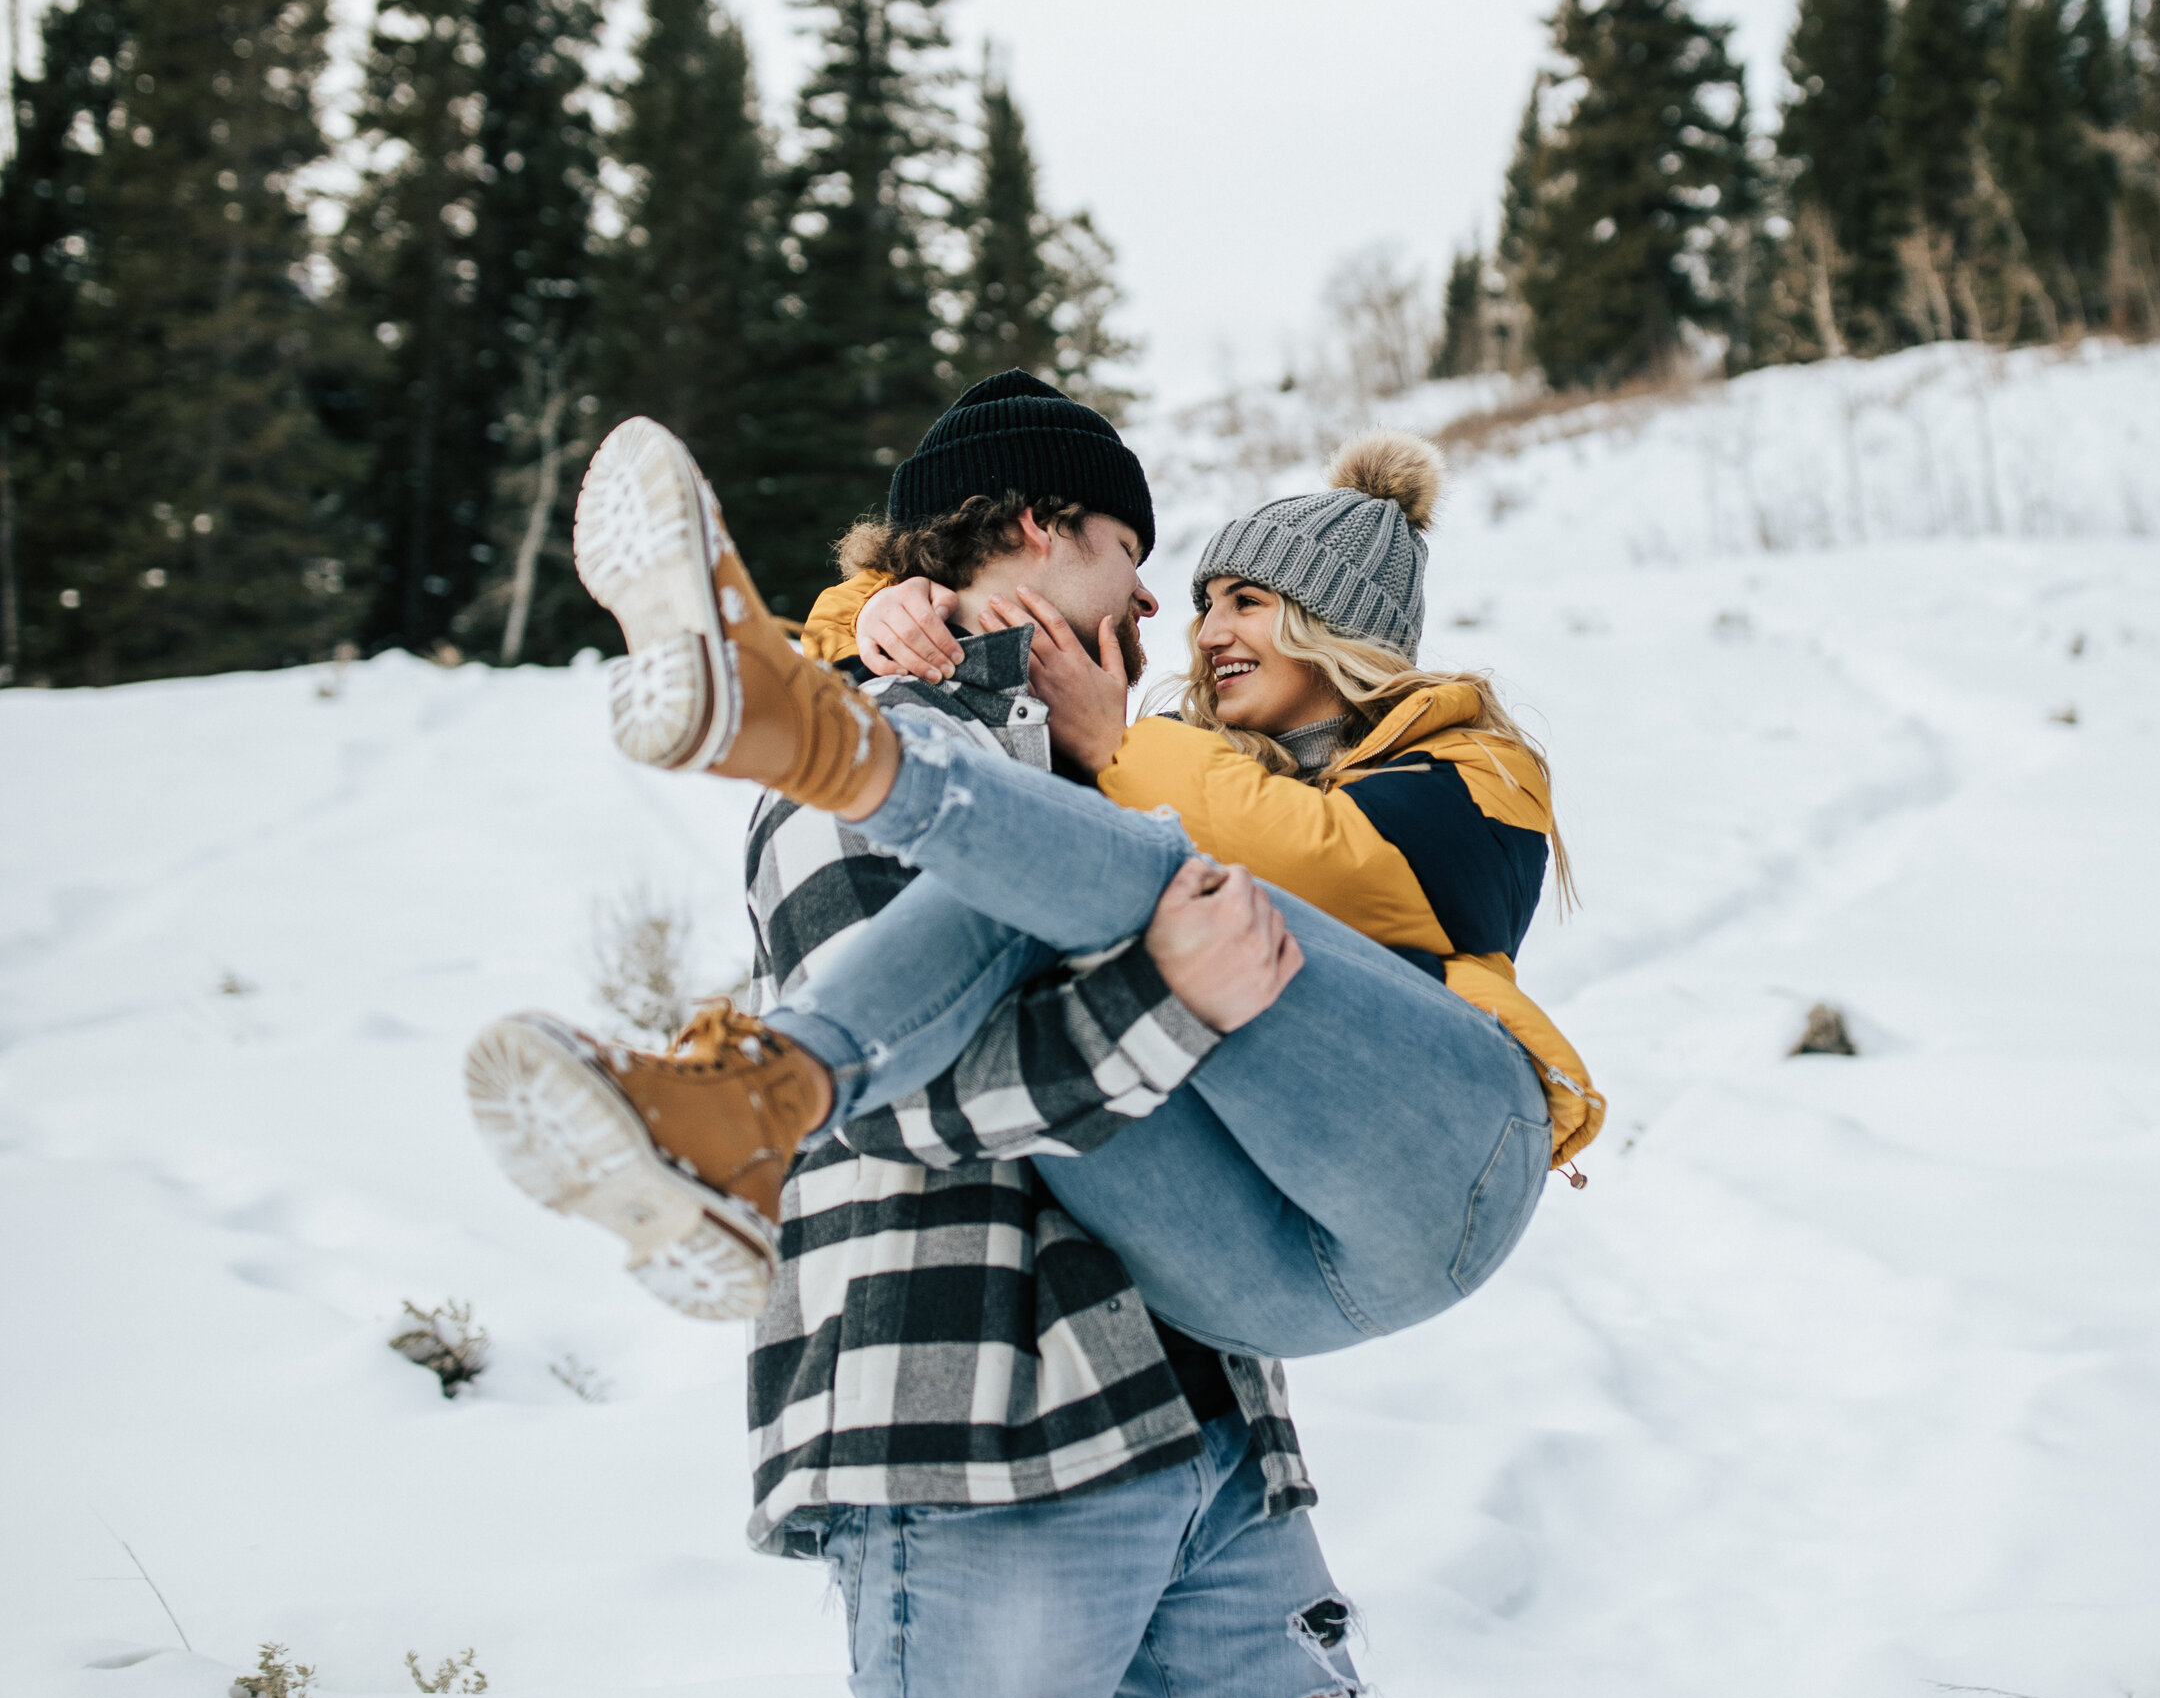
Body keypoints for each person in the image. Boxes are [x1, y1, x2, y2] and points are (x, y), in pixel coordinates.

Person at [465, 373, 1474, 1698]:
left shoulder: (1153, 765)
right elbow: (933, 1106)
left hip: (1210, 1437)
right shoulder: (892, 749)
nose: (1162, 602)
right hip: (977, 1436)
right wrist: (1172, 1000)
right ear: (1047, 537)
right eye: (1137, 552)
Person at [468, 408, 1599, 1355]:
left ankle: (812, 735)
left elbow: (1349, 870)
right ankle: (752, 1105)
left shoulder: (1471, 763)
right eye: (1200, 600)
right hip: (1245, 1280)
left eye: (1243, 602)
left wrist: (1111, 745)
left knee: (1150, 868)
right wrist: (879, 615)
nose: (1197, 629)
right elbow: (1045, 812)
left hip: (1444, 1172)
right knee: (1048, 868)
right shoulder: (1165, 761)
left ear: (1338, 627)